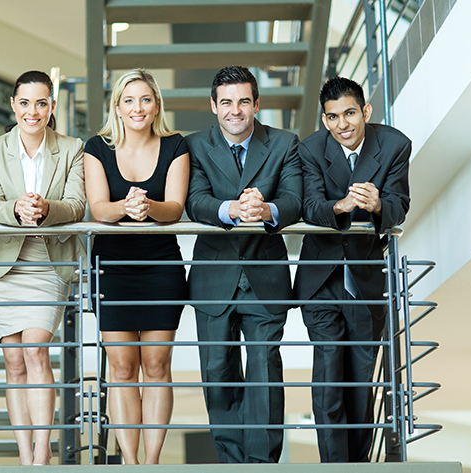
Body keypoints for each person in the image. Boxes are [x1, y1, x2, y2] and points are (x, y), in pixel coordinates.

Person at [184, 65, 302, 463]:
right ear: (213, 105)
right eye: (227, 102)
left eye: (244, 101)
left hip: (265, 274)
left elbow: (293, 199)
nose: (235, 110)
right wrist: (232, 209)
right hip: (213, 277)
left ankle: (262, 464)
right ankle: (232, 464)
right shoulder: (194, 146)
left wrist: (265, 209)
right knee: (217, 371)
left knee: (265, 369)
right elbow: (195, 201)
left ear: (256, 103)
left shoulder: (284, 143)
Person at [295, 76, 410, 463]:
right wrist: (342, 206)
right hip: (321, 279)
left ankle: (358, 467)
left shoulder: (394, 145)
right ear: (324, 120)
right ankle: (333, 467)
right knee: (329, 377)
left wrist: (377, 205)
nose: (342, 124)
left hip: (365, 279)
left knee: (361, 382)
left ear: (366, 111)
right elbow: (310, 206)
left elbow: (399, 204)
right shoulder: (310, 149)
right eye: (333, 117)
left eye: (350, 113)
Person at [0, 70, 86, 466]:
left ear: (52, 106)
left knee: (36, 349)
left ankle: (42, 453)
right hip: (5, 264)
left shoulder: (72, 149)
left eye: (41, 103)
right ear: (13, 105)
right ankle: (25, 456)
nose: (32, 111)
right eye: (24, 103)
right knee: (14, 360)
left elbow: (76, 206)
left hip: (49, 262)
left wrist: (45, 209)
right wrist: (15, 209)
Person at [84, 69, 189, 465]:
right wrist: (125, 208)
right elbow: (99, 209)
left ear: (156, 105)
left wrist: (149, 208)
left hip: (161, 265)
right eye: (129, 100)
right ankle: (129, 463)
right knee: (123, 366)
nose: (137, 107)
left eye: (145, 99)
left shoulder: (176, 145)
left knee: (157, 365)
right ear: (117, 107)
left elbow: (174, 209)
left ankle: (151, 463)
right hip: (112, 267)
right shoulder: (97, 147)